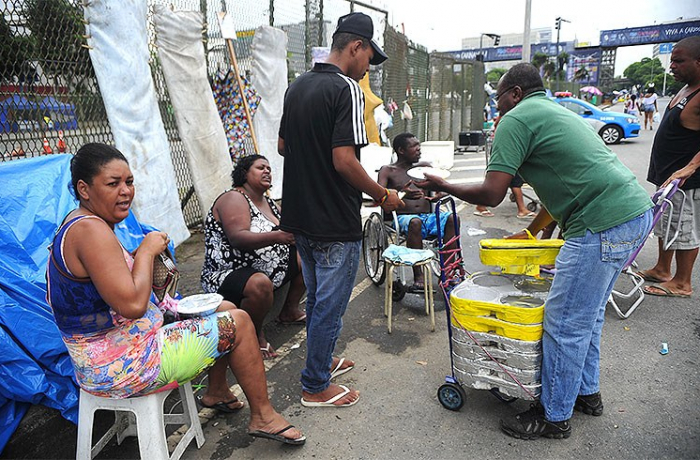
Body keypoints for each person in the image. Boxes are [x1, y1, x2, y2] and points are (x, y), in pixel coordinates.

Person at [415, 63, 653, 440]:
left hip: (600, 222)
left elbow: (492, 194)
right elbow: (564, 187)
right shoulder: (554, 112)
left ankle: (553, 416)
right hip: (631, 215)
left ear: (515, 93)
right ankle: (586, 395)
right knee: (586, 318)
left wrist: (444, 185)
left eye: (499, 98)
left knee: (563, 323)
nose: (498, 107)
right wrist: (530, 230)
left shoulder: (517, 118)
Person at [46, 143, 305, 446]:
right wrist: (145, 251)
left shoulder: (81, 223)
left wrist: (139, 259)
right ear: (84, 189)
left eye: (129, 182)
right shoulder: (90, 230)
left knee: (222, 306)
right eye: (113, 183)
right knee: (241, 323)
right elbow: (131, 304)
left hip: (112, 353)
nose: (126, 191)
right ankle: (262, 415)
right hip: (121, 366)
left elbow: (109, 283)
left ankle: (217, 391)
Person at [278, 11, 402, 408]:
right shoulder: (346, 88)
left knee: (318, 299)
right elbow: (345, 161)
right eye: (369, 58)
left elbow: (284, 146)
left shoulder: (296, 86)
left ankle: (322, 362)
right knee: (330, 305)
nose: (368, 68)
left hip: (302, 215)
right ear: (355, 47)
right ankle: (315, 385)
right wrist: (384, 196)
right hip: (333, 219)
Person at [201, 154, 307, 359]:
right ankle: (255, 335)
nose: (267, 171)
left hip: (265, 270)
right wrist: (279, 236)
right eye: (260, 168)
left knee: (309, 258)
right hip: (228, 273)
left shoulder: (268, 202)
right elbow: (237, 238)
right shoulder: (234, 197)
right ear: (244, 173)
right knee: (259, 283)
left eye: (269, 168)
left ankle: (289, 311)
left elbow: (290, 229)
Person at [638, 36, 700, 299]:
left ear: (698, 62)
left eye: (678, 60)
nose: (671, 65)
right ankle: (663, 269)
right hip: (667, 179)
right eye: (672, 59)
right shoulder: (685, 89)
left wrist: (691, 167)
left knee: (685, 229)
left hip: (687, 182)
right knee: (666, 223)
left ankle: (682, 282)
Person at [377, 132, 457, 291]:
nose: (419, 150)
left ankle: (447, 271)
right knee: (415, 222)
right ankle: (418, 276)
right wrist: (402, 192)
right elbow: (379, 196)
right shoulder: (388, 170)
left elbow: (440, 187)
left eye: (419, 146)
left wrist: (440, 193)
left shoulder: (424, 168)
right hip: (402, 217)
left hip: (428, 216)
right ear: (401, 150)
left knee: (452, 218)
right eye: (414, 146)